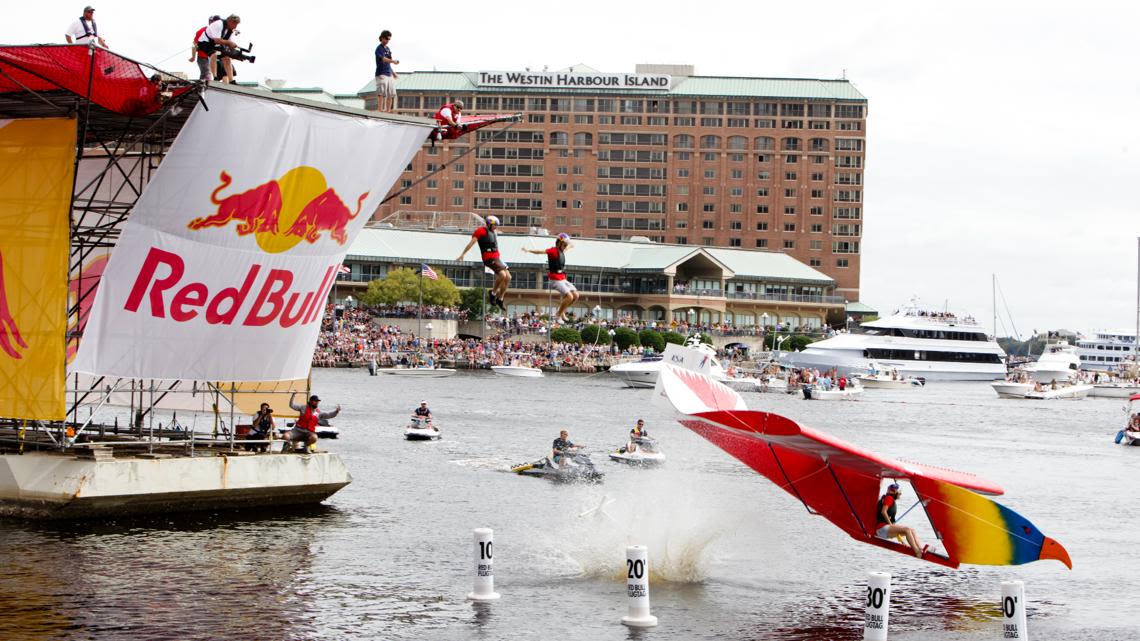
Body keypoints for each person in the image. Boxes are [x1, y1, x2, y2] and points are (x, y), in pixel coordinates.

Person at [457, 215, 511, 309]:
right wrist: (463, 254)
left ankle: (500, 299)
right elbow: (471, 243)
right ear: (489, 224)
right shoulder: (480, 231)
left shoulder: (493, 232)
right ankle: (493, 293)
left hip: (497, 257)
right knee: (502, 275)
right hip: (488, 258)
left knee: (508, 277)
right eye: (495, 225)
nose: (496, 227)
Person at [523, 233, 579, 322]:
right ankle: (558, 315)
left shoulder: (562, 251)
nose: (565, 246)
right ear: (559, 243)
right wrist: (528, 250)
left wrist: (571, 246)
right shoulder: (553, 251)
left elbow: (567, 248)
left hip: (562, 278)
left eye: (566, 245)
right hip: (555, 280)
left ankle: (562, 310)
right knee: (569, 297)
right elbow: (540, 251)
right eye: (564, 244)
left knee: (576, 295)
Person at [876, 483, 927, 558]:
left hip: (884, 530)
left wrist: (902, 541)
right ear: (894, 492)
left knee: (912, 530)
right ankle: (917, 552)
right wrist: (890, 524)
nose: (900, 494)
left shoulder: (888, 498)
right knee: (907, 530)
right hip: (881, 528)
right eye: (898, 492)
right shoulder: (889, 498)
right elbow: (883, 512)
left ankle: (920, 548)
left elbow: (895, 530)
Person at [196, 14, 240, 84]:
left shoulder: (231, 30)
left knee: (227, 58)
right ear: (229, 21)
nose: (235, 26)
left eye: (237, 24)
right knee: (213, 54)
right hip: (205, 42)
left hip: (216, 44)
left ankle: (231, 80)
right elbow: (217, 40)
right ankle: (215, 76)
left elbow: (229, 43)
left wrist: (234, 53)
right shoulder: (219, 24)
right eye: (234, 23)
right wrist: (229, 43)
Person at [374, 30, 399, 112]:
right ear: (382, 38)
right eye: (386, 39)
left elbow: (388, 62)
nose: (387, 41)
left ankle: (388, 111)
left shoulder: (388, 49)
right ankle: (380, 109)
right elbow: (384, 59)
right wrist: (393, 61)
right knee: (381, 92)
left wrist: (393, 73)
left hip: (389, 73)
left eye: (389, 39)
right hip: (381, 73)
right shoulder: (379, 48)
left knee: (391, 93)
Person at [190, 16, 221, 82]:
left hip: (215, 57)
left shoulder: (220, 31)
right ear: (210, 22)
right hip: (203, 58)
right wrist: (193, 57)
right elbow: (194, 44)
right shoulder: (202, 31)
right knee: (206, 74)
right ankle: (203, 88)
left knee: (218, 74)